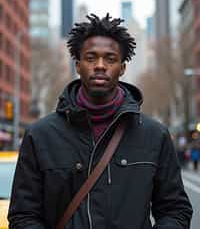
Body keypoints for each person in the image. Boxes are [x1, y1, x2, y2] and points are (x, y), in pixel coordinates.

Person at [8, 14, 193, 229]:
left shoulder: (155, 135)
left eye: (110, 59)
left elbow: (176, 210)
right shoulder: (40, 135)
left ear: (122, 68)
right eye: (91, 58)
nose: (100, 66)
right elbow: (23, 215)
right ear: (77, 65)